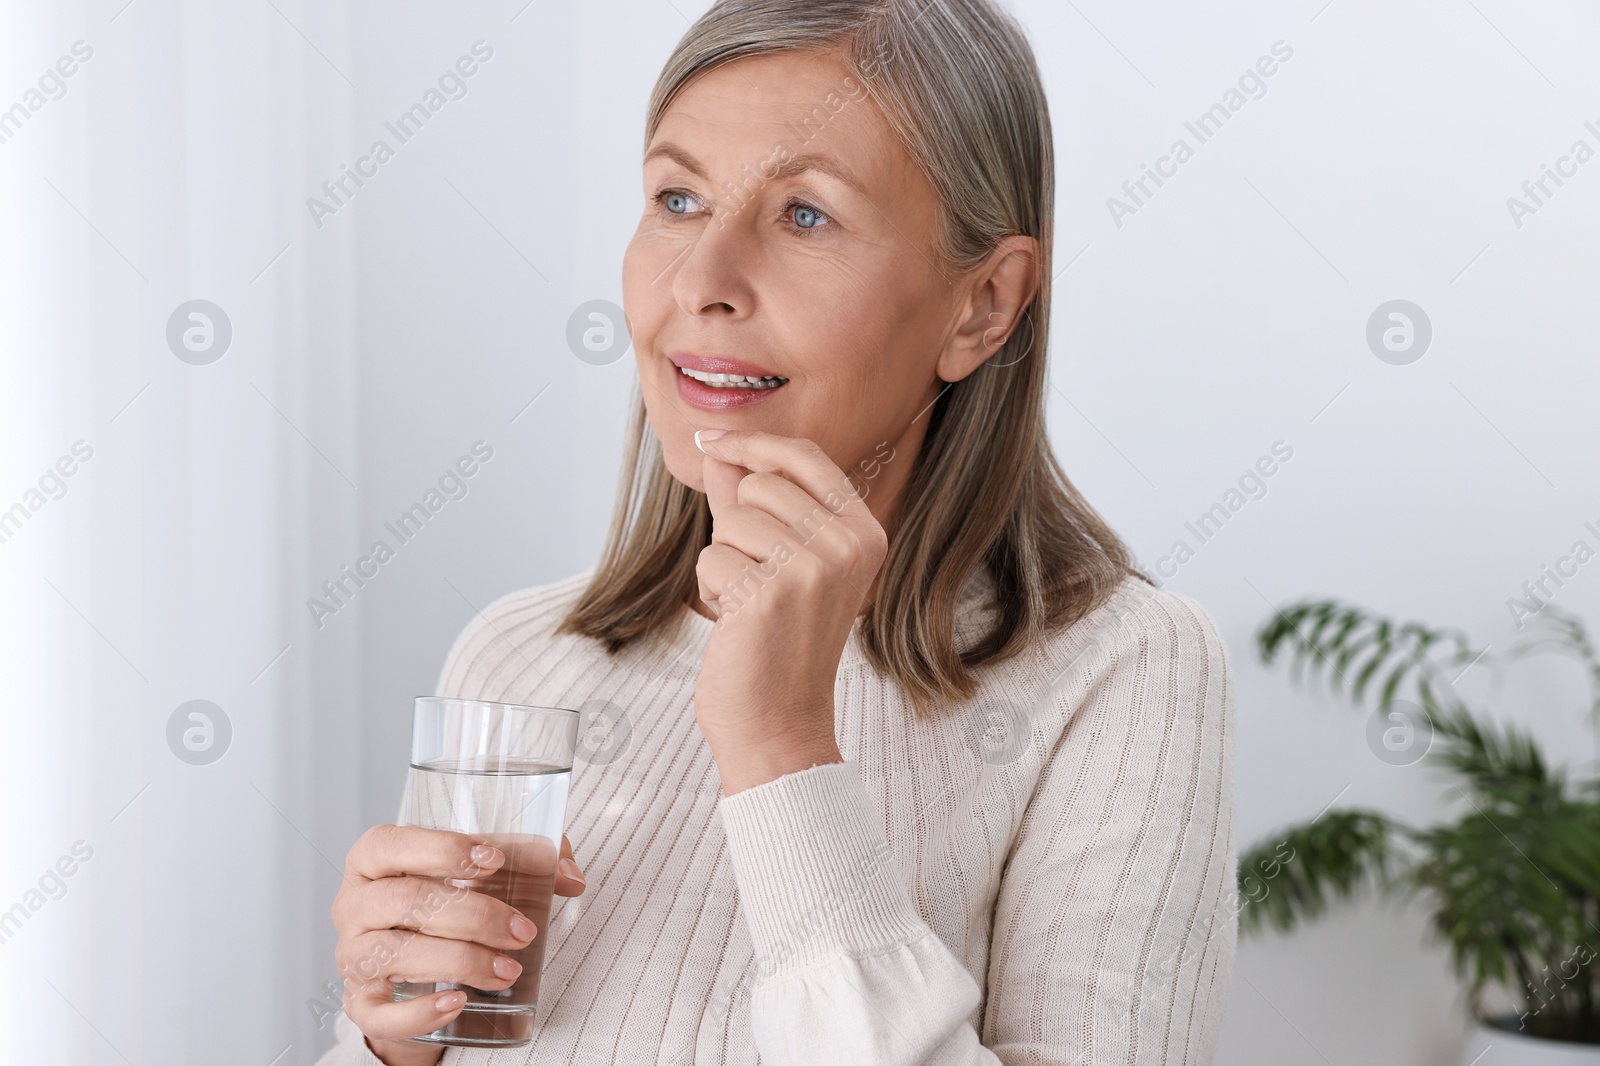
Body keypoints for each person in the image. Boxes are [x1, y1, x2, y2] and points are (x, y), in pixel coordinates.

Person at [318, 1, 1236, 1062]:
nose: (698, 283)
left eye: (804, 215)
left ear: (982, 303)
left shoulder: (1124, 674)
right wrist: (392, 1041)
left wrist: (782, 748)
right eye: (677, 198)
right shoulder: (522, 655)